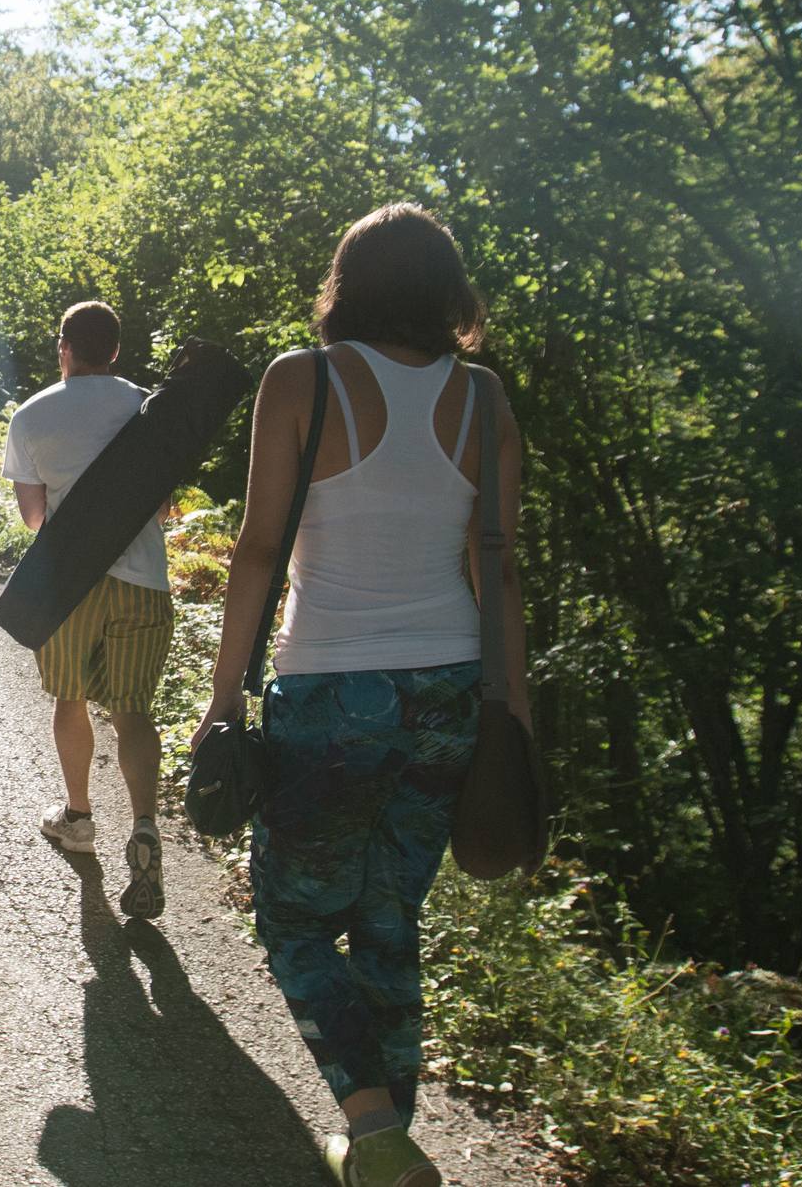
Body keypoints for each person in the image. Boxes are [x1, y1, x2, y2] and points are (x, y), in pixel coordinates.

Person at [196, 203, 527, 1187]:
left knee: (293, 916)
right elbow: (499, 564)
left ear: (345, 284)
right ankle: (385, 1140)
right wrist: (512, 712)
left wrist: (223, 696)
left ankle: (374, 1128)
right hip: (449, 685)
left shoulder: (304, 379)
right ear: (446, 291)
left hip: (330, 684)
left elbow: (259, 546)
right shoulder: (484, 399)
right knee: (389, 917)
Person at [4, 301, 173, 918]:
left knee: (69, 698)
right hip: (143, 581)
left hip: (69, 581)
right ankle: (146, 824)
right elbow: (159, 509)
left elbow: (35, 519)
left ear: (64, 347)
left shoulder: (32, 414)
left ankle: (78, 817)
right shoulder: (151, 409)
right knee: (133, 711)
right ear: (117, 349)